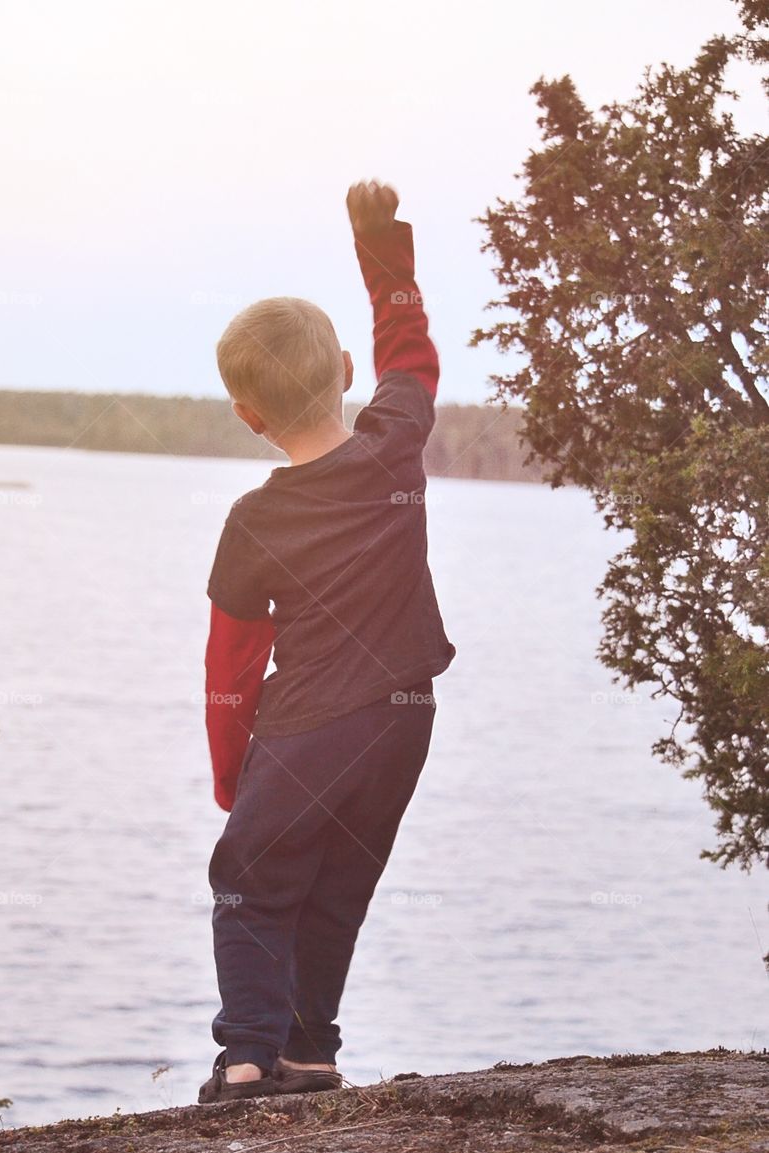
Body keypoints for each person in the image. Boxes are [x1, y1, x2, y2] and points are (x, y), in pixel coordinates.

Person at [198, 180, 456, 1103]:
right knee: (338, 884)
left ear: (248, 415)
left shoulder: (253, 520)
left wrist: (236, 774)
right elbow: (413, 355)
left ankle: (246, 1059)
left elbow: (230, 670)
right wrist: (380, 249)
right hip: (405, 718)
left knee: (251, 879)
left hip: (310, 727)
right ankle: (309, 1055)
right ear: (346, 370)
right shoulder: (392, 444)